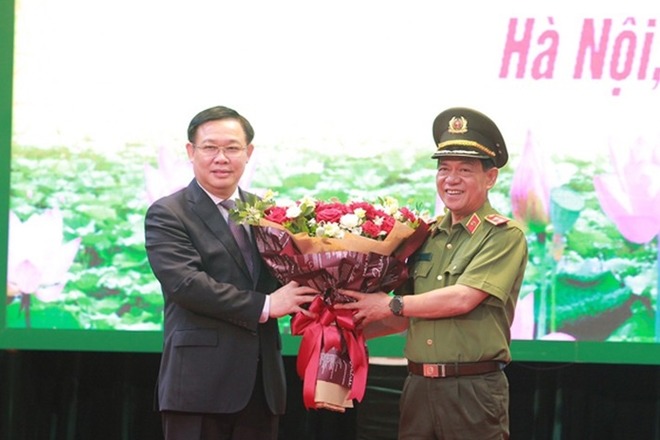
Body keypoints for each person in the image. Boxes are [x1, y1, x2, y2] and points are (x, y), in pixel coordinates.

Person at [337, 107, 528, 439]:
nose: (451, 179)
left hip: (472, 390)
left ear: (490, 177)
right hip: (417, 386)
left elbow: (462, 299)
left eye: (464, 169)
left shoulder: (503, 235)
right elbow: (401, 319)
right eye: (443, 169)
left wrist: (390, 304)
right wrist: (341, 329)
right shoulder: (423, 235)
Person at [144, 105, 318, 440]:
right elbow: (187, 284)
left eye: (232, 148)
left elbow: (290, 275)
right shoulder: (168, 213)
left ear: (248, 153)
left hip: (261, 387)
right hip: (198, 388)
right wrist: (266, 305)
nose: (221, 158)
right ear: (191, 152)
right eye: (210, 147)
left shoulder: (267, 213)